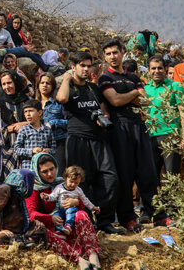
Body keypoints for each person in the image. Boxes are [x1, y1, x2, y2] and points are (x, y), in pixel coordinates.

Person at [99, 39, 168, 230]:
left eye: (115, 52)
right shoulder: (105, 78)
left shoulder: (133, 77)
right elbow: (115, 100)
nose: (112, 56)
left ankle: (159, 215)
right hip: (120, 128)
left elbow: (145, 101)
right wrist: (133, 94)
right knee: (125, 174)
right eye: (109, 54)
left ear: (122, 53)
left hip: (140, 126)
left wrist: (130, 95)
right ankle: (127, 218)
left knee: (149, 173)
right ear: (105, 57)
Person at [55, 50, 122, 234]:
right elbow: (61, 99)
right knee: (81, 182)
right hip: (77, 139)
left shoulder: (93, 89)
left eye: (88, 66)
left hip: (98, 139)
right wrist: (67, 79)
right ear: (73, 67)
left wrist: (103, 117)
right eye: (82, 66)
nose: (85, 69)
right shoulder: (68, 87)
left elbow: (104, 110)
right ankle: (86, 222)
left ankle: (105, 221)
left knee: (110, 178)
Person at [26, 153, 102, 270]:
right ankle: (78, 259)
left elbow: (82, 203)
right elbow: (31, 214)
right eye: (44, 171)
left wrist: (76, 202)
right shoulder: (33, 188)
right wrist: (50, 218)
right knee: (41, 230)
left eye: (52, 169)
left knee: (82, 214)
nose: (50, 174)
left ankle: (92, 255)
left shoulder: (64, 183)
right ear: (37, 172)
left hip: (68, 224)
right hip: (49, 226)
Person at [0, 169, 45, 248]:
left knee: (40, 229)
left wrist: (33, 225)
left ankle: (23, 242)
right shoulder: (4, 189)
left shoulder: (18, 196)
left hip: (14, 234)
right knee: (1, 239)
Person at [144, 56, 184, 178]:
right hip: (150, 137)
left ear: (165, 69)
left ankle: (171, 198)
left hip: (170, 136)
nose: (156, 71)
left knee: (171, 175)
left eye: (160, 68)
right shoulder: (145, 89)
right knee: (151, 177)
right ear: (148, 70)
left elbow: (183, 112)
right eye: (153, 68)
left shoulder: (176, 86)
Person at [0, 70, 29, 177]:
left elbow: (37, 121)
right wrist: (10, 129)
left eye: (9, 83)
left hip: (24, 148)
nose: (7, 87)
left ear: (16, 82)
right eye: (4, 84)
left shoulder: (26, 101)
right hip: (4, 150)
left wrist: (24, 124)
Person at [41, 166, 99, 235]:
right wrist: (46, 197)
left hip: (72, 208)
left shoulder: (78, 190)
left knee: (70, 211)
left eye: (76, 183)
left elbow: (85, 200)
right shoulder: (59, 187)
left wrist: (93, 207)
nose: (73, 184)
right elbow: (53, 196)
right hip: (61, 209)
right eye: (71, 181)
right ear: (65, 178)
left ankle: (68, 226)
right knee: (56, 217)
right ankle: (60, 230)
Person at [38, 72, 68, 172]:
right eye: (42, 83)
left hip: (58, 141)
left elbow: (69, 122)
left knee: (58, 173)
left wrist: (53, 123)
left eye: (48, 83)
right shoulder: (33, 103)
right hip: (39, 144)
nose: (44, 85)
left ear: (53, 86)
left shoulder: (58, 104)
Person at [14, 99, 55, 169]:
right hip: (28, 166)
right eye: (25, 112)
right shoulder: (24, 130)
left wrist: (47, 151)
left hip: (44, 167)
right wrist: (32, 151)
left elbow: (53, 149)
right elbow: (16, 149)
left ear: (40, 113)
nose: (28, 114)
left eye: (31, 111)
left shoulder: (47, 130)